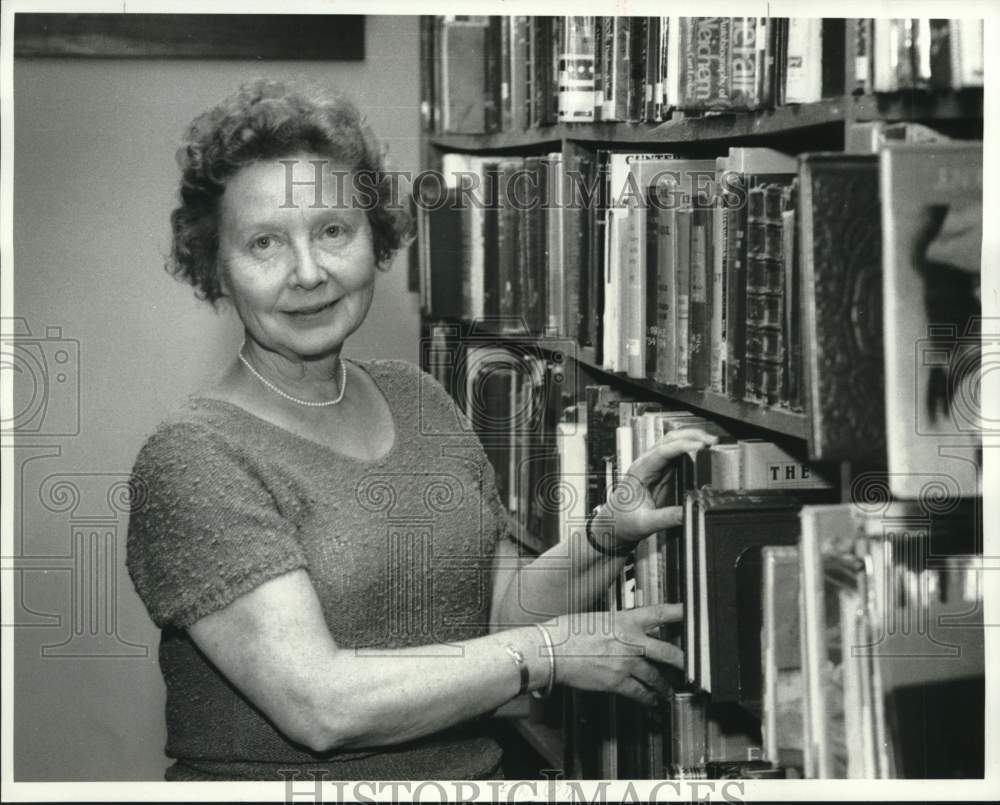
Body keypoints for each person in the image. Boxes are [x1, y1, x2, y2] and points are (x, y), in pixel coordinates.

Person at [125, 79, 718, 782]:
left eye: (333, 231)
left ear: (375, 238)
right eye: (264, 244)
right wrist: (548, 652)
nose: (309, 272)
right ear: (215, 270)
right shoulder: (194, 456)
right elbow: (320, 703)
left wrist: (601, 541)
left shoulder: (418, 398)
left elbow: (496, 614)